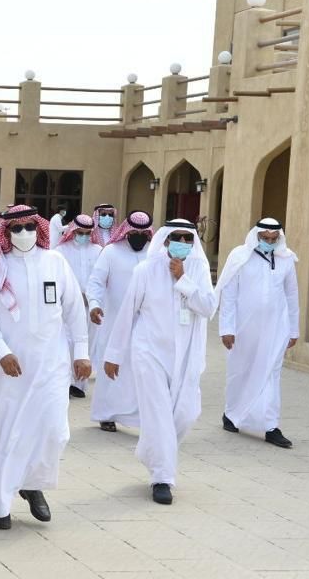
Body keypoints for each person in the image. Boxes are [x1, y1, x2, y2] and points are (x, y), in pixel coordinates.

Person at [0, 205, 90, 530]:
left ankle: (32, 484)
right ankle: (0, 506)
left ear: (38, 228)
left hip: (51, 364)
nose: (24, 233)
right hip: (7, 369)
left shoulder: (55, 262)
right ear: (6, 232)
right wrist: (2, 352)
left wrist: (81, 352)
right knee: (7, 435)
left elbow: (73, 310)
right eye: (17, 228)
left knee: (54, 431)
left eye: (29, 226)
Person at [104, 220, 217, 505]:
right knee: (158, 414)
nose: (183, 243)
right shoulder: (146, 270)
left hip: (187, 354)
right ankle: (162, 478)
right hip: (149, 352)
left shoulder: (199, 268)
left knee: (187, 413)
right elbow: (128, 311)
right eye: (177, 237)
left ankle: (151, 450)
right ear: (165, 240)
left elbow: (208, 308)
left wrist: (183, 280)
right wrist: (113, 355)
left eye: (188, 238)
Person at [216, 218, 299, 448]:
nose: (269, 243)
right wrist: (227, 328)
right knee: (240, 372)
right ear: (256, 236)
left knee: (271, 374)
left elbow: (292, 295)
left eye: (273, 239)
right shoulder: (239, 256)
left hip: (276, 327)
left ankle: (270, 426)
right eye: (265, 238)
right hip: (244, 328)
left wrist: (293, 329)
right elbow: (229, 294)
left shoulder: (286, 259)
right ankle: (231, 414)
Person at [86, 211, 153, 431]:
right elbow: (96, 282)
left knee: (141, 369)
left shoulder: (154, 253)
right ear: (126, 231)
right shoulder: (111, 252)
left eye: (143, 233)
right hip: (114, 320)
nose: (138, 237)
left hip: (146, 323)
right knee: (111, 366)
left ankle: (139, 415)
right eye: (134, 233)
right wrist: (94, 304)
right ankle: (106, 414)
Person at [55, 214, 103, 399]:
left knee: (86, 343)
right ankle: (66, 381)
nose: (83, 236)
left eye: (87, 233)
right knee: (67, 342)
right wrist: (73, 297)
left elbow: (101, 279)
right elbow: (57, 278)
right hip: (67, 306)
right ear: (73, 231)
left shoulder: (98, 250)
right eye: (80, 232)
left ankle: (79, 384)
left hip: (91, 306)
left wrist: (93, 299)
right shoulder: (61, 250)